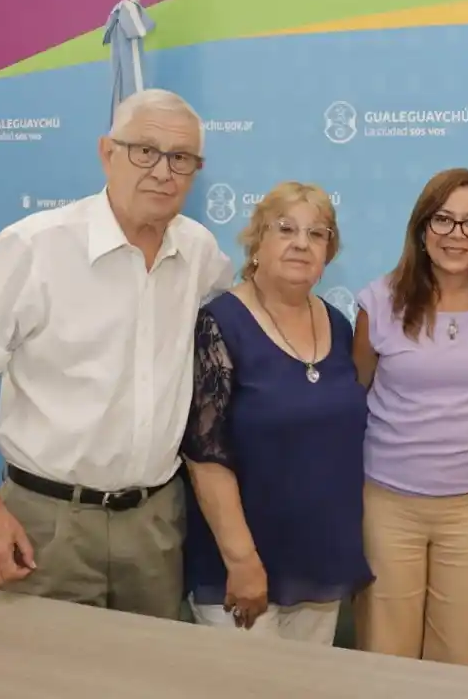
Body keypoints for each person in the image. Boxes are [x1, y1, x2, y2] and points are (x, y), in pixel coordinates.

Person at [0, 89, 232, 619]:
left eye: (181, 158)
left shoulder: (199, 252)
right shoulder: (35, 246)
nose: (162, 171)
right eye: (145, 151)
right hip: (48, 527)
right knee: (47, 665)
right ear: (107, 152)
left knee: (149, 664)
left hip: (156, 525)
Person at [351, 168, 468, 666]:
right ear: (421, 228)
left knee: (455, 653)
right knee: (385, 651)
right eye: (443, 219)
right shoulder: (381, 302)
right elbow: (353, 397)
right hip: (389, 504)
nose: (457, 235)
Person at [181, 181, 371, 644]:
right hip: (240, 569)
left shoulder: (338, 324)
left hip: (319, 563)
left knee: (309, 681)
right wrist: (242, 560)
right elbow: (205, 457)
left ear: (329, 252)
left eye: (317, 233)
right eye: (286, 229)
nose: (301, 243)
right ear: (257, 241)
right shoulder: (219, 323)